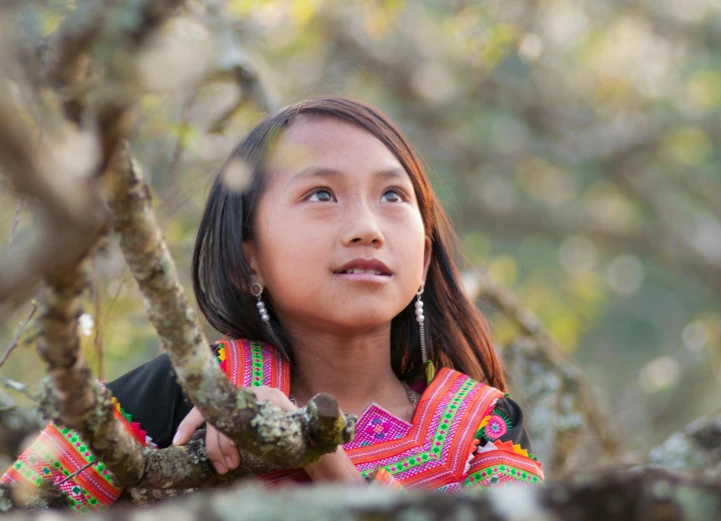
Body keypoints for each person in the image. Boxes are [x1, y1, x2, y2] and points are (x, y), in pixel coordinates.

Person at [1, 96, 544, 510]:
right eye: (321, 194)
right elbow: (21, 504)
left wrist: (318, 453)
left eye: (393, 196)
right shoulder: (193, 390)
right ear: (250, 258)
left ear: (423, 258)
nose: (367, 228)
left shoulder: (482, 426)